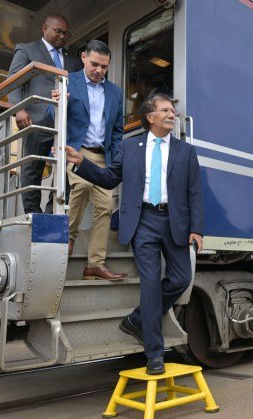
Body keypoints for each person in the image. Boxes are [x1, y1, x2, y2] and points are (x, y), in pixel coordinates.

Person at [60, 92, 203, 375]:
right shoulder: (130, 147)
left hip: (175, 222)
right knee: (150, 284)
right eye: (165, 110)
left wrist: (196, 228)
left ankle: (137, 319)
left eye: (172, 111)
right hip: (143, 221)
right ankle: (154, 354)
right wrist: (81, 164)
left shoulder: (185, 151)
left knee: (180, 279)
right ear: (150, 116)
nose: (172, 115)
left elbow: (194, 193)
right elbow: (110, 178)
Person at [49, 40, 126, 281]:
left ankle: (95, 264)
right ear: (83, 58)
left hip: (103, 156)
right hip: (75, 149)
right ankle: (69, 236)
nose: (99, 71)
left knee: (104, 207)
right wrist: (57, 102)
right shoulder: (67, 80)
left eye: (104, 66)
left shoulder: (115, 92)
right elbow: (53, 115)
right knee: (81, 185)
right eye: (94, 64)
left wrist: (116, 155)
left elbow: (117, 129)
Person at [8, 13, 82, 214]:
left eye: (66, 34)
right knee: (33, 169)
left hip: (65, 124)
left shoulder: (73, 60)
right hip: (37, 120)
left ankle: (52, 214)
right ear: (45, 28)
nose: (62, 37)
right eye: (58, 31)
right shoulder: (27, 49)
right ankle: (34, 216)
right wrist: (18, 109)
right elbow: (14, 80)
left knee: (66, 170)